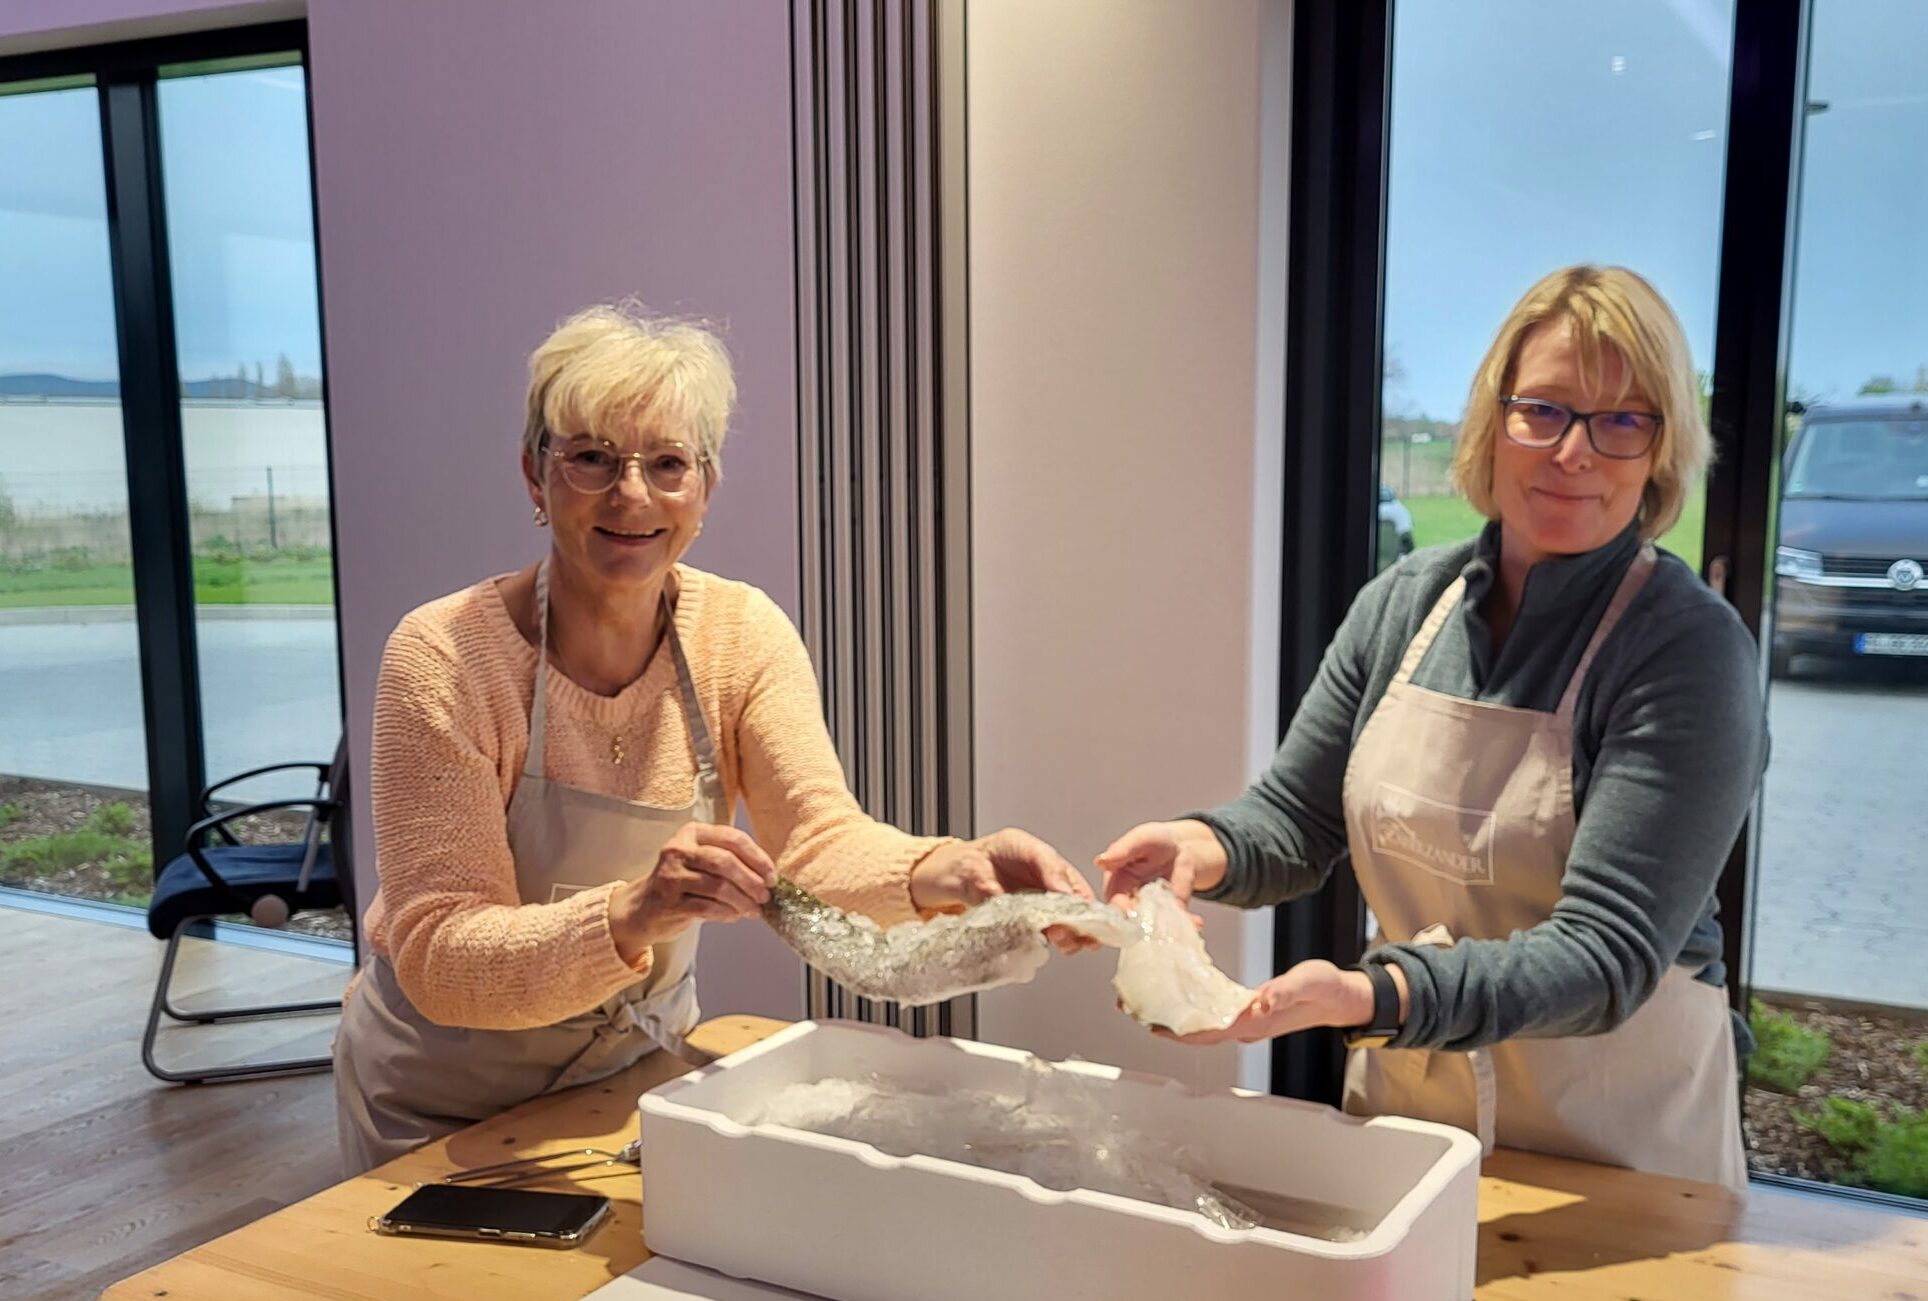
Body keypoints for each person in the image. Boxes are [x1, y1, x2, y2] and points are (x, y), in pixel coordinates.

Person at [334, 304, 1091, 1172]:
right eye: (591, 459)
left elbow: (816, 841)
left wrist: (943, 871)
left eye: (667, 464)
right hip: (441, 1098)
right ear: (535, 477)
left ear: (707, 487)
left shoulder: (739, 633)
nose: (632, 495)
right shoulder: (445, 655)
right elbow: (439, 949)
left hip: (633, 1076)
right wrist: (634, 912)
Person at [1097, 265, 1766, 1190]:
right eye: (1545, 410)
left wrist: (1375, 993)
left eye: (1623, 420)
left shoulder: (1688, 651)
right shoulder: (1408, 603)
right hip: (1415, 1116)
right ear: (1494, 422)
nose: (1576, 452)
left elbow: (1607, 954)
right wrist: (1198, 849)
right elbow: (1297, 819)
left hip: (1621, 1144)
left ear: (1661, 450)